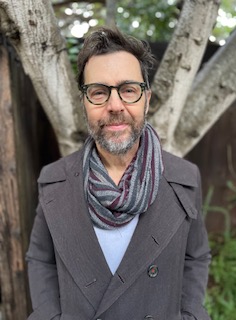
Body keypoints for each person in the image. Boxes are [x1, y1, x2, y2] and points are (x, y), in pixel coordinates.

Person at [26, 26, 211, 320]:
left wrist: (189, 315)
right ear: (85, 102)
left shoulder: (184, 178)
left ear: (146, 99)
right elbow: (40, 259)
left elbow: (196, 256)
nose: (115, 106)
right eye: (99, 92)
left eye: (128, 90)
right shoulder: (54, 180)